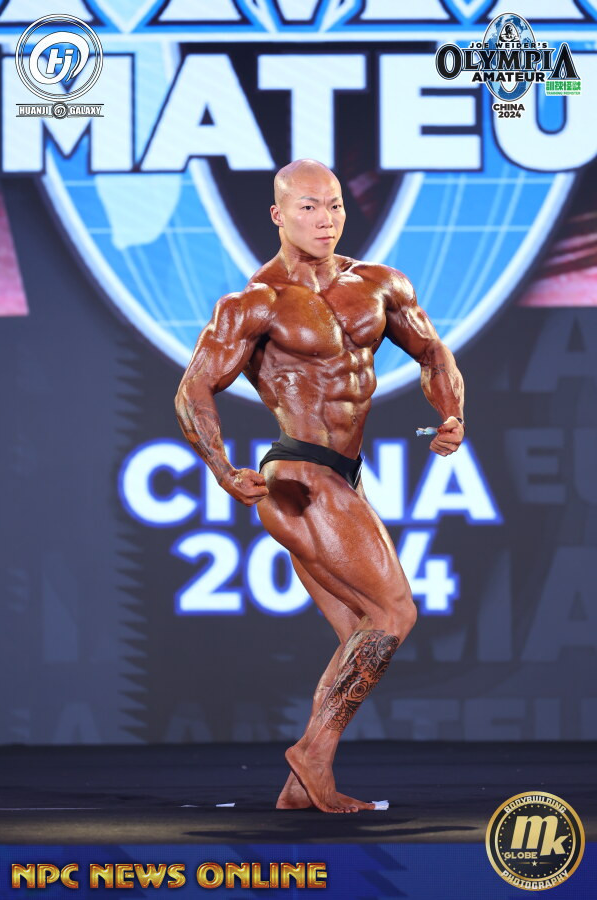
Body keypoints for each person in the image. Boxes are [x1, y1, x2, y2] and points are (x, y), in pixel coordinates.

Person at [175, 159, 464, 814]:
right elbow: (194, 389)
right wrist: (221, 468)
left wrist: (451, 414)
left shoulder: (379, 283)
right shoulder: (257, 302)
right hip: (299, 476)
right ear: (278, 215)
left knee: (364, 628)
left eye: (333, 204)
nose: (325, 218)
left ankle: (300, 789)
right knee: (394, 613)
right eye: (307, 207)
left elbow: (432, 352)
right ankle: (313, 755)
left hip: (341, 477)